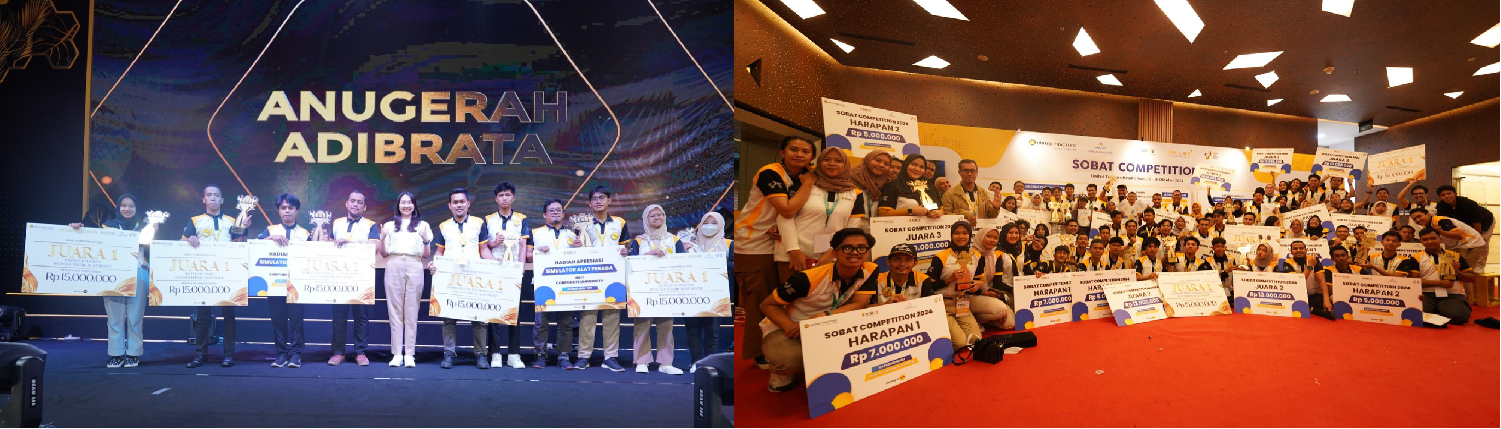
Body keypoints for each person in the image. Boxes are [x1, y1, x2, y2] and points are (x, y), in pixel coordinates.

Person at [760, 228, 879, 392]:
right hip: (790, 327)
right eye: (847, 248)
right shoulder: (807, 279)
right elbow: (767, 305)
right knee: (792, 360)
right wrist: (791, 328)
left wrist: (824, 316)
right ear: (835, 252)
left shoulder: (870, 270)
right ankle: (779, 371)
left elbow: (859, 304)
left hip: (827, 324)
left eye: (861, 248)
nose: (855, 253)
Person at [736, 136, 814, 370]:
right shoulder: (770, 172)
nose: (800, 154)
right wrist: (809, 182)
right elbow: (787, 209)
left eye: (806, 151)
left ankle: (775, 347)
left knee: (779, 299)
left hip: (776, 244)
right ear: (782, 150)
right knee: (759, 301)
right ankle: (758, 353)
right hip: (752, 244)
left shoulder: (802, 176)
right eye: (794, 149)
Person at [68, 194, 153, 368]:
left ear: (137, 208)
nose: (127, 209)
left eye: (131, 206)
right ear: (118, 207)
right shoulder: (107, 227)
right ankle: (116, 354)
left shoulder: (146, 227)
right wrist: (78, 229)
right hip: (113, 274)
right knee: (114, 317)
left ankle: (133, 354)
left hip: (139, 272)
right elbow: (90, 240)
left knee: (136, 317)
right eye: (123, 205)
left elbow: (157, 250)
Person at [182, 184, 250, 368]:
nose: (213, 198)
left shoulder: (232, 221)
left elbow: (239, 244)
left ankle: (229, 355)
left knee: (229, 316)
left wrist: (243, 229)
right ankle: (200, 355)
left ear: (222, 200)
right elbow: (181, 243)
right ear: (203, 199)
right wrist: (188, 240)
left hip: (227, 275)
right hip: (203, 275)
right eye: (209, 195)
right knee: (202, 317)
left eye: (216, 195)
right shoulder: (195, 221)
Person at [429, 188, 496, 369]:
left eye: (462, 201)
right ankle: (449, 353)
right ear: (449, 206)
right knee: (449, 318)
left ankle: (481, 354)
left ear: (468, 203)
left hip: (474, 277)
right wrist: (434, 264)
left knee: (479, 318)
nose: (459, 205)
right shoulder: (443, 226)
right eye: (455, 202)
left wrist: (498, 265)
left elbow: (483, 250)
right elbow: (440, 251)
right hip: (451, 277)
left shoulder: (479, 223)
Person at [779, 148, 868, 270]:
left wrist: (833, 252)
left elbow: (851, 228)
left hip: (833, 258)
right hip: (795, 256)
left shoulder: (855, 193)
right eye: (826, 160)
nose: (832, 163)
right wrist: (793, 250)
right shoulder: (805, 184)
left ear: (846, 165)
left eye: (838, 160)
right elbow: (785, 217)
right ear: (819, 163)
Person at [575, 186, 633, 372]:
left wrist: (626, 251)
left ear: (609, 201)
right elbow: (573, 254)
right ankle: (584, 356)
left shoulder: (619, 223)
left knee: (611, 318)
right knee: (587, 318)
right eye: (595, 198)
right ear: (589, 203)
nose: (598, 201)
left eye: (602, 198)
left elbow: (627, 248)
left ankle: (610, 357)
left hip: (613, 277)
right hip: (589, 277)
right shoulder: (581, 225)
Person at [628, 205, 688, 375]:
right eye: (652, 216)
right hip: (643, 290)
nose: (656, 218)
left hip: (667, 289)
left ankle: (665, 362)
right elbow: (630, 264)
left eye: (659, 215)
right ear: (646, 219)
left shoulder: (675, 241)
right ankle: (641, 361)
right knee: (642, 325)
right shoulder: (638, 241)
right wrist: (647, 257)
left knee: (666, 325)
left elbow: (683, 264)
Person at [480, 182, 531, 369]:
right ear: (496, 199)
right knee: (494, 313)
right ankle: (495, 354)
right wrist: (494, 243)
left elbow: (524, 246)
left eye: (507, 195)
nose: (504, 198)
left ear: (513, 197)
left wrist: (522, 267)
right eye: (501, 195)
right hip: (495, 269)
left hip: (514, 271)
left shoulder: (522, 218)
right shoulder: (488, 219)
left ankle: (514, 354)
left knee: (513, 313)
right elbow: (484, 247)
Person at [328, 190, 380, 367]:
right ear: (347, 204)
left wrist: (350, 244)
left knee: (361, 317)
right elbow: (328, 245)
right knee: (338, 316)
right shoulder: (336, 223)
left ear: (364, 207)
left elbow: (375, 248)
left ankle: (360, 353)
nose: (355, 204)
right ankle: (337, 353)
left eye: (359, 202)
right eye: (352, 201)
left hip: (361, 277)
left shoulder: (371, 225)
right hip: (338, 276)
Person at [260, 193, 312, 369]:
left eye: (290, 208)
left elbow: (313, 256)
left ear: (296, 210)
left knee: (297, 321)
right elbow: (255, 248)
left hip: (296, 285)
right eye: (283, 208)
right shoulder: (269, 230)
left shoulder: (305, 233)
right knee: (278, 320)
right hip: (274, 284)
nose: (287, 211)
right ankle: (281, 354)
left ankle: (296, 355)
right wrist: (270, 239)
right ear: (279, 211)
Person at [379, 192, 431, 368]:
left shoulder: (423, 225)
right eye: (403, 203)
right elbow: (384, 254)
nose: (406, 205)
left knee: (412, 310)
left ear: (414, 205)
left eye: (409, 202)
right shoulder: (389, 225)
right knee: (394, 311)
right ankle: (396, 354)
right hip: (393, 263)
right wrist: (382, 237)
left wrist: (425, 239)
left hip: (415, 264)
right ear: (398, 205)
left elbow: (426, 255)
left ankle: (409, 354)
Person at [528, 199, 581, 369]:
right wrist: (537, 251)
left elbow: (580, 260)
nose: (556, 213)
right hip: (543, 284)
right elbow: (527, 255)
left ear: (564, 214)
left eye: (559, 210)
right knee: (541, 322)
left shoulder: (573, 236)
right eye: (552, 210)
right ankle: (540, 355)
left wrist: (581, 249)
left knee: (566, 322)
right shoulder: (535, 233)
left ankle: (564, 356)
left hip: (566, 284)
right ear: (544, 214)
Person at [926, 221, 988, 349]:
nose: (961, 237)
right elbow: (929, 286)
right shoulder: (940, 257)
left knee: (975, 339)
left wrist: (978, 284)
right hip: (943, 303)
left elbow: (979, 279)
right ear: (951, 235)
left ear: (970, 235)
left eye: (965, 233)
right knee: (960, 344)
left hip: (963, 302)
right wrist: (949, 279)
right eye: (957, 233)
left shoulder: (977, 256)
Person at [685, 212, 730, 371]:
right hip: (691, 293)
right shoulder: (688, 244)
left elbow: (733, 267)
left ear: (721, 225)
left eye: (713, 223)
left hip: (716, 294)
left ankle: (710, 361)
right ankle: (695, 361)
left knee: (712, 331)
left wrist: (716, 263)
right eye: (706, 222)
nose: (709, 226)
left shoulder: (729, 244)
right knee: (693, 330)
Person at [1406, 228, 1477, 325]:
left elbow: (1472, 278)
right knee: (1415, 316)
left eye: (1433, 238)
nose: (1430, 242)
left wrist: (1458, 273)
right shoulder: (1416, 258)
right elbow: (1413, 281)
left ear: (1440, 238)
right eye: (1425, 239)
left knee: (1459, 317)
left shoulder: (1455, 256)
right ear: (1421, 242)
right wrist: (1439, 283)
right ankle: (1439, 309)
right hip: (1426, 294)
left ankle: (1441, 309)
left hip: (1452, 294)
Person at [1435, 185, 1495, 273]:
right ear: (1440, 197)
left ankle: (1479, 266)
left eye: (1449, 193)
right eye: (1443, 195)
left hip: (1484, 222)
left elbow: (1477, 226)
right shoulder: (1440, 206)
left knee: (1481, 242)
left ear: (1455, 194)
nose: (1446, 196)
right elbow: (1444, 222)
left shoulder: (1468, 204)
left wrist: (1476, 237)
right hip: (1462, 224)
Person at [878, 154, 945, 219]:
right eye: (914, 164)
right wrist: (910, 211)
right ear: (906, 165)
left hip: (929, 228)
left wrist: (940, 212)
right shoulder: (893, 185)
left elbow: (942, 208)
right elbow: (882, 214)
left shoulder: (930, 186)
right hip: (902, 228)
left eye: (922, 167)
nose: (917, 169)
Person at [1410, 208, 1486, 263]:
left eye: (1419, 216)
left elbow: (1459, 235)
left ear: (1428, 214)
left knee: (1464, 272)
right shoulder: (1426, 226)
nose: (1417, 220)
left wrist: (1441, 232)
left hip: (1472, 245)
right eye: (1414, 219)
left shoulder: (1440, 221)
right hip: (1457, 247)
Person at [1315, 246, 1372, 316]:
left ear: (1348, 256)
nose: (1341, 258)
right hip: (1339, 296)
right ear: (1332, 259)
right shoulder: (1328, 270)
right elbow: (1331, 290)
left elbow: (1370, 284)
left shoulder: (1358, 269)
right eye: (1337, 256)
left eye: (1343, 255)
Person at [873, 244, 938, 305]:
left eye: (908, 260)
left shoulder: (924, 280)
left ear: (915, 263)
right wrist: (886, 305)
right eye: (897, 259)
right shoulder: (876, 280)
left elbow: (930, 307)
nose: (902, 264)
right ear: (888, 261)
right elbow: (864, 308)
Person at [941, 159, 1000, 225]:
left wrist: (996, 208)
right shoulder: (949, 194)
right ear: (959, 172)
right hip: (961, 233)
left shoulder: (984, 193)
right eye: (966, 171)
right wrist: (966, 215)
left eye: (972, 171)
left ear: (976, 173)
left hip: (980, 231)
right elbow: (947, 216)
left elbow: (990, 217)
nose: (969, 174)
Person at [849, 150, 894, 216]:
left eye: (886, 164)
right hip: (850, 224)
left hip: (876, 225)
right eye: (878, 160)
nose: (881, 165)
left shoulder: (887, 184)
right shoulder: (851, 178)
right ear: (868, 160)